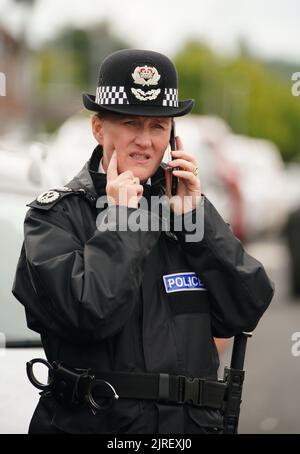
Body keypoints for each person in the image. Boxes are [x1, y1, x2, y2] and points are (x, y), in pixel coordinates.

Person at [12, 49, 274, 434]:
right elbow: (90, 312)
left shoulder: (185, 211)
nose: (145, 141)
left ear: (173, 135)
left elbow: (246, 307)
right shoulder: (54, 218)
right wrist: (124, 220)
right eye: (131, 123)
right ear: (98, 129)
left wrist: (195, 216)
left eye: (158, 126)